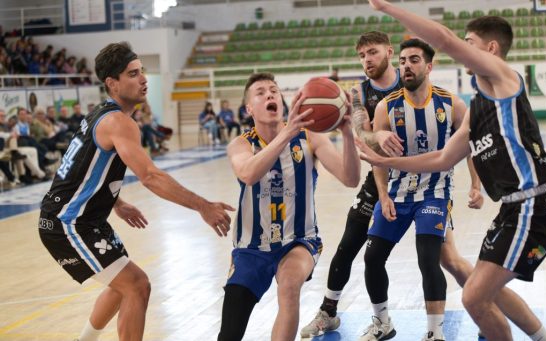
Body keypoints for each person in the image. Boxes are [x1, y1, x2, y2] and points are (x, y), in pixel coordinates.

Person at [360, 2, 546, 340]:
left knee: (472, 297)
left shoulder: (504, 77)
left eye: (469, 42)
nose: (462, 48)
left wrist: (386, 7)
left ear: (491, 49)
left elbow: (443, 39)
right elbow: (442, 159)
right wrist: (385, 162)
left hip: (535, 204)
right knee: (485, 289)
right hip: (515, 208)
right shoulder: (477, 106)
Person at [38, 41, 235, 341]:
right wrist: (203, 206)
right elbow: (151, 177)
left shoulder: (101, 115)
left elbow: (80, 169)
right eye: (133, 74)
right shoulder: (118, 122)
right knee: (136, 285)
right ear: (112, 83)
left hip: (84, 219)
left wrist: (116, 202)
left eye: (142, 71)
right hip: (67, 223)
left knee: (122, 283)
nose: (143, 78)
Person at [219, 72, 360, 341]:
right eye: (260, 92)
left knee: (289, 284)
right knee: (229, 333)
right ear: (249, 108)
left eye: (273, 90)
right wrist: (286, 133)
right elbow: (248, 174)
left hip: (298, 240)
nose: (270, 94)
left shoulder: (311, 138)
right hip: (251, 247)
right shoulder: (240, 144)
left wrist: (346, 132)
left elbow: (351, 178)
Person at [300, 30, 403, 339]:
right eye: (361, 55)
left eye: (371, 52)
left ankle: (481, 304)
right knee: (348, 244)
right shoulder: (359, 93)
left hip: (420, 178)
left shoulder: (408, 82)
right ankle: (328, 312)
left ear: (388, 51)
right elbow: (361, 134)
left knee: (443, 256)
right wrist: (376, 137)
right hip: (379, 176)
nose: (366, 60)